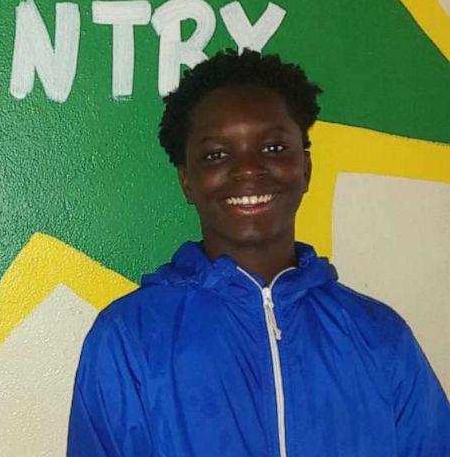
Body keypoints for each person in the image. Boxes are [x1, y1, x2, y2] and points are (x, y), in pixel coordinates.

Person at [68, 49, 449, 456]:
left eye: (272, 148)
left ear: (305, 168)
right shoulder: (130, 338)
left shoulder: (379, 335)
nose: (248, 169)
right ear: (187, 182)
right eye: (216, 154)